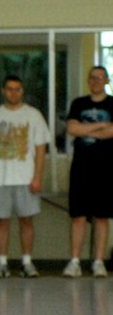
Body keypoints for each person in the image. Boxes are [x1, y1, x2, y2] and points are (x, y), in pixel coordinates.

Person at [0, 76, 49, 278]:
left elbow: (40, 148)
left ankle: (27, 262)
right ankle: (2, 262)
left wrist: (37, 176)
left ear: (22, 91)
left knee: (26, 220)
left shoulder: (34, 115)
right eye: (10, 89)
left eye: (17, 89)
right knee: (2, 221)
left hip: (26, 177)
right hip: (1, 178)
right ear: (3, 91)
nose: (14, 93)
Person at [62, 66, 113, 278]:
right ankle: (75, 261)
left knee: (102, 216)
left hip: (105, 168)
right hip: (81, 167)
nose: (96, 81)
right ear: (87, 80)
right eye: (92, 77)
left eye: (100, 78)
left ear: (107, 80)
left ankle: (99, 261)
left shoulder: (112, 103)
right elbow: (73, 129)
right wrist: (101, 126)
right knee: (78, 216)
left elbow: (112, 132)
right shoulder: (78, 103)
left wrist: (87, 128)